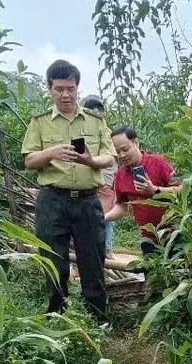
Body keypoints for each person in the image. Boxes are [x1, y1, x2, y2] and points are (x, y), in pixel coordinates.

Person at [21, 60, 115, 316]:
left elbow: (110, 157)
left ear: (77, 88)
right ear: (49, 88)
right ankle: (57, 317)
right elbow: (29, 160)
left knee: (93, 261)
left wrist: (90, 161)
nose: (66, 94)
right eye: (59, 89)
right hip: (53, 200)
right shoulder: (39, 122)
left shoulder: (95, 121)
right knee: (53, 261)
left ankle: (96, 318)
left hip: (88, 201)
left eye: (71, 89)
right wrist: (51, 152)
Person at [105, 126, 181, 255]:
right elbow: (122, 207)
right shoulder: (120, 175)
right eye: (118, 152)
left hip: (174, 234)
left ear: (136, 142)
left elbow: (182, 190)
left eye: (125, 149)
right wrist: (103, 218)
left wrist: (155, 190)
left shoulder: (158, 162)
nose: (122, 155)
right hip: (148, 238)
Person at [81, 95, 117, 255]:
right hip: (95, 182)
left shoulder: (109, 135)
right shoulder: (85, 133)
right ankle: (104, 249)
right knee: (101, 217)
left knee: (104, 217)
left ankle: (106, 248)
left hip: (105, 182)